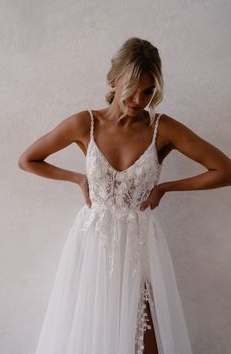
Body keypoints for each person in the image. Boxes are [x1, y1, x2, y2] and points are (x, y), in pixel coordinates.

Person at [18, 37, 231, 354]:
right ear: (114, 80)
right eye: (132, 88)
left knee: (146, 340)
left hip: (138, 244)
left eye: (148, 92)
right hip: (93, 244)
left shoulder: (162, 128)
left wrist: (165, 188)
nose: (139, 100)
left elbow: (224, 170)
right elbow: (28, 160)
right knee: (91, 332)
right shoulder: (84, 123)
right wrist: (77, 178)